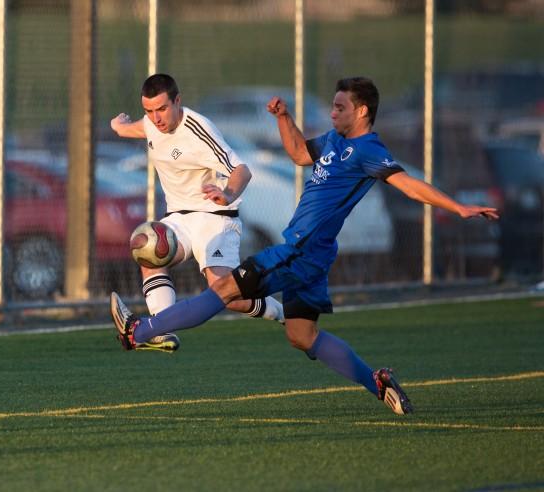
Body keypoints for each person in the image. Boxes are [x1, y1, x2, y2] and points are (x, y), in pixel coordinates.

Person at [110, 77, 499, 414]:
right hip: (314, 255)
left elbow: (408, 184)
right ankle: (377, 382)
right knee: (302, 336)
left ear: (361, 111)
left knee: (223, 289)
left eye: (339, 107)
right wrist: (283, 118)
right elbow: (298, 153)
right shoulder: (334, 140)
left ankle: (140, 332)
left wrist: (458, 206)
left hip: (299, 249)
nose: (332, 113)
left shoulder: (369, 150)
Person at [110, 73, 285, 352]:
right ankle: (159, 331)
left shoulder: (199, 129)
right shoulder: (154, 123)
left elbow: (242, 170)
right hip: (179, 217)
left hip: (214, 218)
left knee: (227, 295)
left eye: (162, 109)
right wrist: (119, 126)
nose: (156, 118)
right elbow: (137, 128)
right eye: (149, 111)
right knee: (147, 247)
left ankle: (287, 312)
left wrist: (227, 193)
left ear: (177, 101)